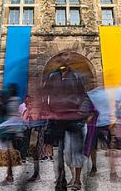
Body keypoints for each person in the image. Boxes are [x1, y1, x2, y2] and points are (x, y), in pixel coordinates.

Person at [42, 52, 87, 191]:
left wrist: (81, 112)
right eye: (62, 57)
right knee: (61, 153)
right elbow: (45, 98)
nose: (65, 59)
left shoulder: (77, 77)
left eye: (68, 57)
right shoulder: (52, 77)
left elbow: (84, 96)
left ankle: (77, 180)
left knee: (77, 152)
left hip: (74, 120)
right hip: (58, 120)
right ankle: (63, 179)